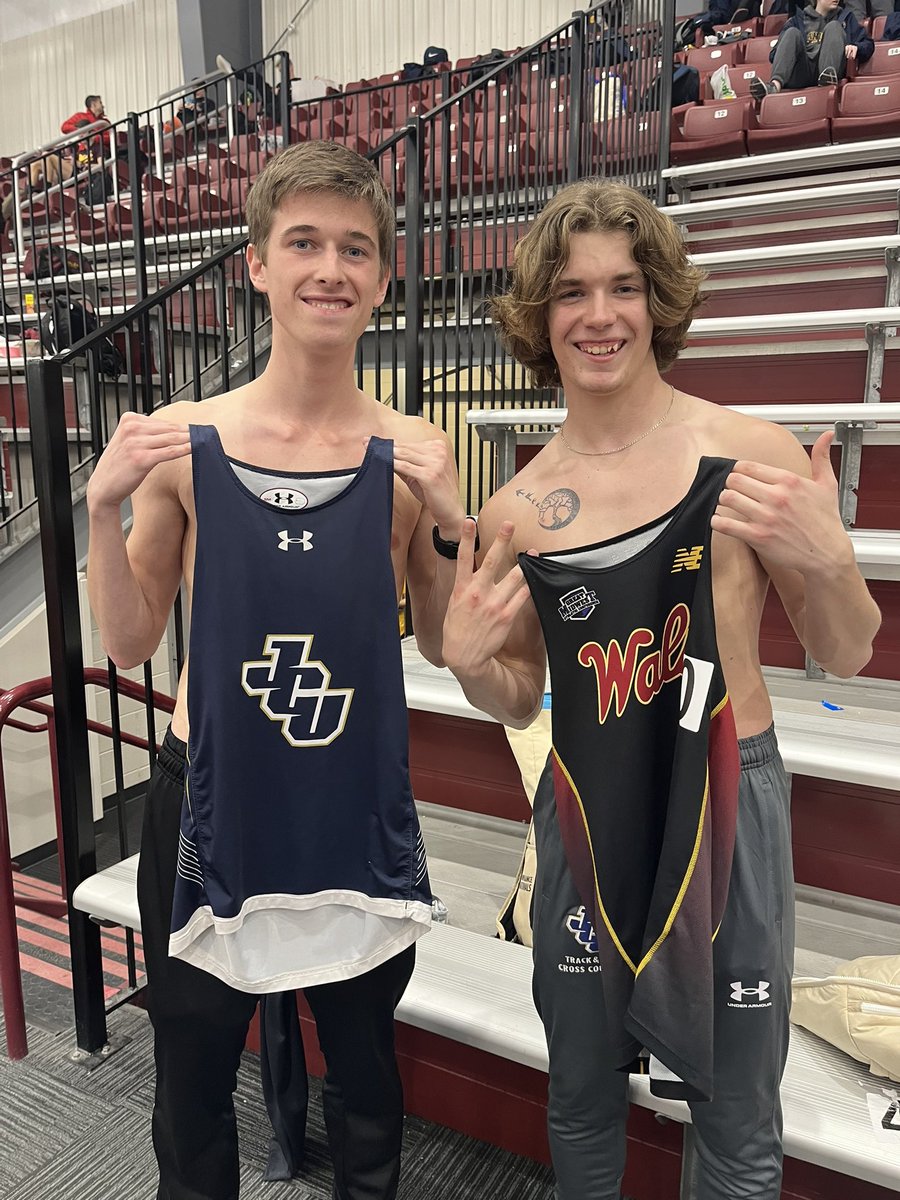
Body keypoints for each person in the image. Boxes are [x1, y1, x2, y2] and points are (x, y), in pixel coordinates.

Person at [440, 178, 881, 1199]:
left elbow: (848, 651)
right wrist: (467, 662)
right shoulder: (515, 508)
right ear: (539, 319)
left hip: (728, 800)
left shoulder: (749, 454)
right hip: (588, 807)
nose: (600, 315)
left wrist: (826, 558)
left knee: (737, 1114)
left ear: (660, 302)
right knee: (582, 1093)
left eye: (625, 287)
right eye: (572, 292)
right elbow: (519, 700)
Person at [85, 139, 466, 1200]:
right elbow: (125, 640)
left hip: (350, 807)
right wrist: (101, 510)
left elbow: (442, 642)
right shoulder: (182, 443)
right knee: (192, 1091)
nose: (328, 269)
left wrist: (451, 528)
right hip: (209, 807)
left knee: (367, 1084)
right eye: (302, 242)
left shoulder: (412, 452)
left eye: (354, 249)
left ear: (385, 278)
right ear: (258, 264)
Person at [751, 0, 873, 99]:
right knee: (792, 33)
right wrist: (789, 49)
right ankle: (774, 87)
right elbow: (773, 55)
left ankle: (827, 81)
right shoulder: (796, 21)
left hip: (830, 69)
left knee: (834, 26)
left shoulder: (846, 18)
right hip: (802, 70)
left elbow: (868, 44)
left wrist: (857, 47)